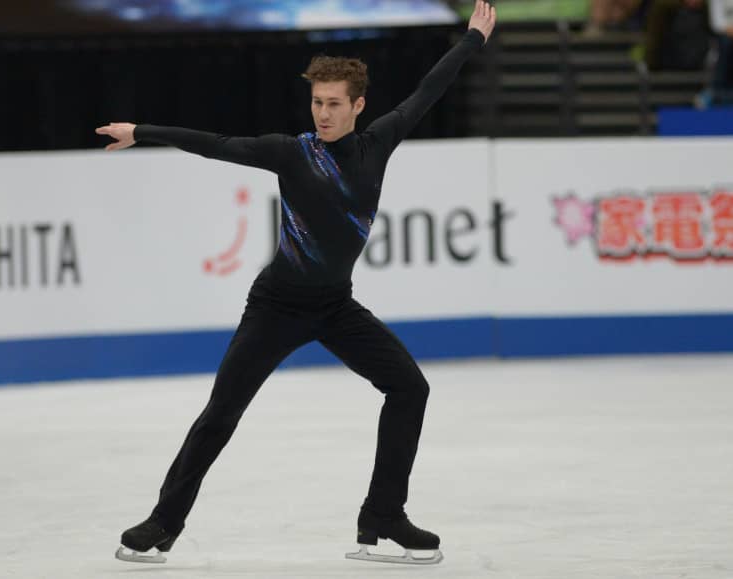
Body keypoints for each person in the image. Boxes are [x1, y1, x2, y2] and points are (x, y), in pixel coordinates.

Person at [96, 0, 496, 566]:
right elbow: (216, 142)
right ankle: (162, 523)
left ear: (358, 105)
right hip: (276, 307)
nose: (323, 114)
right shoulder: (291, 153)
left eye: (334, 104)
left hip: (335, 307)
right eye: (316, 102)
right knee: (221, 414)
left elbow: (429, 89)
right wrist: (143, 131)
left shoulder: (378, 144)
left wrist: (472, 40)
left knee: (410, 388)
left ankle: (382, 517)